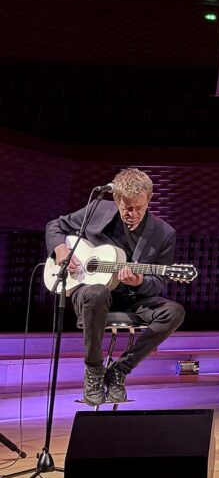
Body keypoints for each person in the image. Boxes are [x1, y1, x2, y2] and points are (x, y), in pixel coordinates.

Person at [45, 168, 185, 406]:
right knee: (97, 292)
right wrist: (60, 247)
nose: (132, 214)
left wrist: (139, 281)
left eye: (139, 208)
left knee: (174, 312)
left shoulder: (164, 233)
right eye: (126, 208)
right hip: (90, 290)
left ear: (149, 200)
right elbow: (55, 226)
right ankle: (94, 371)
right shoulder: (98, 210)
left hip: (132, 297)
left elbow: (159, 282)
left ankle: (119, 370)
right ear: (116, 200)